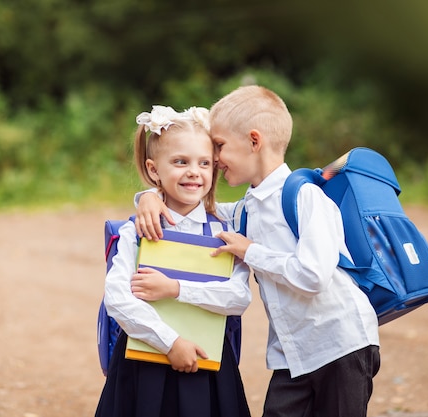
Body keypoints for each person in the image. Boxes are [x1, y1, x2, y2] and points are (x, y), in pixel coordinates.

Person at [135, 86, 380, 417]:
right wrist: (149, 196)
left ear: (254, 141)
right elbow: (189, 206)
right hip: (292, 355)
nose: (216, 160)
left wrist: (251, 252)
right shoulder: (245, 210)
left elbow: (313, 276)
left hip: (342, 345)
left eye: (219, 146)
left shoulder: (306, 196)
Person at [95, 105, 252, 417]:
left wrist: (176, 288)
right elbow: (117, 298)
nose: (194, 171)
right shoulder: (135, 232)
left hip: (208, 364)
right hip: (144, 364)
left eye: (204, 163)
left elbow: (239, 298)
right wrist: (170, 343)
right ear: (154, 170)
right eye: (180, 162)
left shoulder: (225, 230)